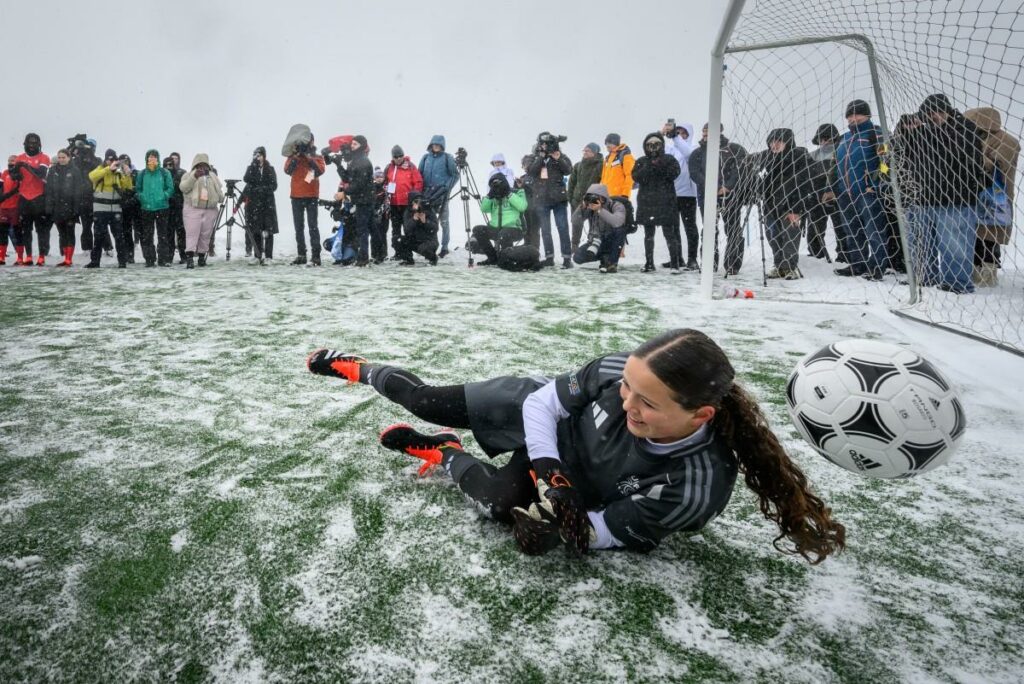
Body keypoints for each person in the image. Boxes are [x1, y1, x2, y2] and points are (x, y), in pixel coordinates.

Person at [306, 329, 846, 562]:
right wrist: (548, 468)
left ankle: (442, 453)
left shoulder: (694, 489)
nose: (627, 401)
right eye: (627, 388)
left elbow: (601, 530)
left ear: (699, 415)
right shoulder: (617, 370)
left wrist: (562, 527)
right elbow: (543, 404)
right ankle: (357, 368)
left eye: (648, 404)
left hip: (582, 482)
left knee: (498, 505)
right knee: (424, 399)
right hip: (543, 425)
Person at [901, 94, 987, 293]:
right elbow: (902, 153)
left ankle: (956, 284)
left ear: (947, 111)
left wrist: (926, 132)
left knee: (954, 246)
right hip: (922, 198)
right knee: (920, 243)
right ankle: (925, 276)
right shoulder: (921, 132)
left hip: (955, 200)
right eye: (928, 114)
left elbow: (955, 154)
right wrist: (906, 132)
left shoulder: (965, 128)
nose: (933, 117)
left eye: (936, 113)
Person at [832, 99, 891, 281]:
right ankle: (858, 264)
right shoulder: (844, 139)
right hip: (846, 193)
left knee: (874, 229)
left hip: (867, 192)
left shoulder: (877, 133)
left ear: (867, 115)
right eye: (849, 115)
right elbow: (836, 165)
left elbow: (886, 163)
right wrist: (834, 188)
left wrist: (875, 185)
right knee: (852, 230)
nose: (852, 118)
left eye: (857, 114)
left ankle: (878, 265)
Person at [965, 106, 1020, 287]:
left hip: (996, 197)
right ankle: (974, 271)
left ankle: (988, 275)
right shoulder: (975, 137)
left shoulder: (1007, 141)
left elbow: (996, 165)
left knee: (990, 236)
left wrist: (973, 154)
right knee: (975, 235)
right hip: (975, 195)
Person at [689, 123, 748, 274]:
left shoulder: (734, 149)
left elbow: (740, 169)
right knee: (709, 229)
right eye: (704, 133)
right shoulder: (697, 153)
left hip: (731, 196)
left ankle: (733, 265)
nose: (705, 136)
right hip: (707, 197)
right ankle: (709, 263)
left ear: (719, 132)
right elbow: (695, 173)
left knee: (733, 229)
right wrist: (711, 186)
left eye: (708, 133)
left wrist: (727, 186)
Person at [761, 128, 813, 279]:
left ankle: (790, 267)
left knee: (790, 236)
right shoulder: (768, 159)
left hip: (791, 206)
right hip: (771, 206)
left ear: (787, 142)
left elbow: (804, 184)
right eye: (772, 141)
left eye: (779, 141)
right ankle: (779, 266)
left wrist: (796, 209)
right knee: (773, 236)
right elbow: (764, 183)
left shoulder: (799, 157)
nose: (774, 144)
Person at [633, 132, 682, 273]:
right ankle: (649, 263)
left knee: (670, 234)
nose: (653, 148)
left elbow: (673, 174)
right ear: (645, 146)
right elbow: (636, 177)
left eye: (656, 145)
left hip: (665, 202)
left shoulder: (669, 159)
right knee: (648, 235)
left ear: (661, 145)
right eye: (650, 145)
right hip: (647, 202)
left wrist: (659, 164)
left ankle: (675, 264)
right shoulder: (642, 161)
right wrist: (649, 165)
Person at [528, 132, 574, 268]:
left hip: (558, 199)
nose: (544, 146)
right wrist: (541, 158)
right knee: (545, 229)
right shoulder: (534, 157)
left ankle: (567, 259)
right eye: (542, 143)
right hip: (541, 199)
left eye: (547, 144)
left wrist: (558, 158)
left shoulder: (561, 156)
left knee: (563, 228)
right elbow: (531, 172)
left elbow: (568, 171)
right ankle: (549, 258)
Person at [84, 149, 134, 268]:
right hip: (100, 209)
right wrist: (108, 169)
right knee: (99, 237)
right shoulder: (100, 169)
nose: (110, 162)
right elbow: (91, 177)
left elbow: (127, 187)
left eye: (113, 160)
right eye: (108, 159)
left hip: (116, 209)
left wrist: (127, 174)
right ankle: (95, 262)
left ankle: (122, 262)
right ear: (105, 160)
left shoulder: (118, 172)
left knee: (119, 237)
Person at [662, 122, 701, 270]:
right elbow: (655, 148)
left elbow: (688, 154)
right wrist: (661, 133)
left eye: (683, 133)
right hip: (672, 193)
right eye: (677, 132)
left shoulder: (693, 149)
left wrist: (676, 137)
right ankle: (677, 257)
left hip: (688, 195)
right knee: (673, 228)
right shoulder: (670, 149)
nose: (680, 135)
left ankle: (692, 259)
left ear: (689, 134)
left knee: (689, 227)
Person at [806, 124, 846, 262]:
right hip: (816, 197)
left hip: (838, 195)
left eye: (828, 139)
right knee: (815, 227)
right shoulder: (812, 156)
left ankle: (844, 255)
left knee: (841, 227)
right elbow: (806, 176)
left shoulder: (841, 152)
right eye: (821, 139)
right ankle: (816, 254)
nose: (824, 142)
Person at [285, 134, 326, 266]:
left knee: (313, 226)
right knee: (299, 228)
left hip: (311, 195)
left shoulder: (317, 156)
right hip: (296, 195)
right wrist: (297, 157)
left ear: (313, 142)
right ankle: (301, 255)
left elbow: (319, 171)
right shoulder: (293, 156)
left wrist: (309, 157)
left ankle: (316, 256)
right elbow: (287, 170)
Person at [472, 171, 528, 266]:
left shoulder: (517, 192)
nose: (497, 187)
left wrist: (508, 193)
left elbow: (522, 207)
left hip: (515, 229)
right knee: (478, 230)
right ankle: (492, 258)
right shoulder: (493, 195)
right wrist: (490, 195)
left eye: (499, 183)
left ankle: (506, 259)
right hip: (496, 229)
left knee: (504, 233)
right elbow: (484, 209)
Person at [334, 135, 374, 266]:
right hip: (360, 200)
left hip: (365, 200)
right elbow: (347, 178)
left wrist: (344, 193)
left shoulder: (363, 161)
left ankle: (363, 259)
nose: (352, 146)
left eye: (355, 144)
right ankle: (369, 256)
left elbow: (358, 184)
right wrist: (338, 164)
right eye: (352, 143)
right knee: (366, 229)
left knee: (363, 229)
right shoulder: (355, 161)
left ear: (362, 146)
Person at [179, 153, 224, 269]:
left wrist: (221, 198)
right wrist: (194, 177)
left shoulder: (212, 176)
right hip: (193, 209)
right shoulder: (188, 175)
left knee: (205, 235)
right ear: (195, 165)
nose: (202, 168)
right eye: (200, 165)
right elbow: (183, 188)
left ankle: (201, 258)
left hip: (210, 209)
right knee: (192, 234)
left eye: (204, 165)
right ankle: (189, 258)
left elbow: (218, 189)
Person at [570, 183, 627, 273]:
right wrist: (582, 207)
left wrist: (600, 210)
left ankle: (611, 262)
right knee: (577, 257)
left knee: (621, 230)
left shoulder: (616, 205)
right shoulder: (590, 207)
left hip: (611, 241)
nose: (593, 200)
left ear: (603, 197)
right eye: (590, 197)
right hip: (595, 241)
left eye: (596, 197)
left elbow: (617, 222)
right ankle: (604, 257)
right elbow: (575, 221)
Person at [418, 135, 458, 258]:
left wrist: (446, 188)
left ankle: (444, 247)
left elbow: (455, 175)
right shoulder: (425, 158)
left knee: (444, 221)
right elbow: (419, 175)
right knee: (426, 222)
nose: (436, 146)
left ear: (442, 146)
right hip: (426, 195)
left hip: (442, 196)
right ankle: (426, 245)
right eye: (434, 143)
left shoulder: (447, 158)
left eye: (438, 144)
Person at [14, 133, 51, 265]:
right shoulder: (19, 158)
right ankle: (28, 256)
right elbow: (15, 178)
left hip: (39, 197)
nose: (31, 145)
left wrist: (26, 166)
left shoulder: (44, 157)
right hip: (24, 198)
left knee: (41, 229)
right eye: (29, 143)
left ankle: (41, 256)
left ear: (39, 144)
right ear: (25, 144)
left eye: (34, 143)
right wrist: (15, 170)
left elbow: (40, 174)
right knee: (26, 229)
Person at [134, 149, 175, 267]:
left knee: (163, 235)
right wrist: (142, 197)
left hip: (162, 207)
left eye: (154, 157)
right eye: (150, 157)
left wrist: (164, 196)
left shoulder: (164, 172)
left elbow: (170, 188)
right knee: (147, 235)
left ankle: (163, 259)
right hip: (146, 208)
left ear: (158, 159)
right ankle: (149, 259)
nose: (152, 159)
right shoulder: (142, 174)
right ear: (146, 159)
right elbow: (137, 189)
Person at [44, 149, 84, 267]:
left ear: (69, 157)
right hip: (57, 207)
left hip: (70, 207)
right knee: (62, 233)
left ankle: (68, 259)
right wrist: (48, 206)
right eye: (59, 157)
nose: (61, 160)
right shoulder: (52, 170)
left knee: (69, 232)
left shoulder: (75, 171)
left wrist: (76, 208)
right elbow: (48, 190)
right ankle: (65, 257)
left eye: (63, 157)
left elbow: (78, 190)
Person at [383, 146, 423, 258]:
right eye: (396, 157)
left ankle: (407, 253)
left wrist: (415, 199)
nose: (399, 158)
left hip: (407, 204)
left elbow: (418, 183)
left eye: (401, 156)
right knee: (395, 230)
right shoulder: (389, 168)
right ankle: (398, 252)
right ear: (392, 157)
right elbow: (385, 182)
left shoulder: (410, 166)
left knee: (407, 229)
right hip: (394, 204)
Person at [242, 146, 278, 265]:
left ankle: (268, 256)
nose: (257, 157)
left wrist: (263, 189)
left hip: (267, 204)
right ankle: (257, 255)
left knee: (268, 230)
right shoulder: (251, 168)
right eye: (255, 155)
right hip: (255, 203)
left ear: (264, 156)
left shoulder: (270, 169)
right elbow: (246, 179)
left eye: (259, 155)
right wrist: (253, 165)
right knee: (256, 229)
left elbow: (274, 185)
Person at [567, 143, 605, 252]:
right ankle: (574, 247)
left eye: (587, 151)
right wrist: (571, 198)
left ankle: (591, 247)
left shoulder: (601, 165)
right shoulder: (578, 165)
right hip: (576, 201)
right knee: (576, 224)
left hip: (593, 201)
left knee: (593, 225)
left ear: (594, 152)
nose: (585, 152)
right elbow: (571, 183)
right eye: (584, 150)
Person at [395, 191, 439, 266]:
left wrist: (425, 222)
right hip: (414, 239)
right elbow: (407, 230)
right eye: (416, 201)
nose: (418, 204)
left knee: (423, 248)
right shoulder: (408, 212)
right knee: (397, 239)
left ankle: (433, 258)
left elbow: (435, 228)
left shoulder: (429, 210)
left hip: (429, 240)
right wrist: (414, 220)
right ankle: (408, 260)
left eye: (420, 201)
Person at [162, 156, 186, 263]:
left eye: (170, 165)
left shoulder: (181, 173)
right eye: (166, 165)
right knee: (168, 234)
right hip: (166, 208)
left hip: (179, 207)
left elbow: (184, 189)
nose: (168, 167)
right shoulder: (161, 175)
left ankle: (184, 256)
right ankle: (169, 256)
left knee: (181, 233)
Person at [1, 157, 23, 265]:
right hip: (3, 208)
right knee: (3, 233)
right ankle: (2, 257)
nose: (11, 163)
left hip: (15, 207)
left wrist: (6, 196)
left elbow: (20, 189)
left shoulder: (20, 174)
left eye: (13, 161)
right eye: (9, 161)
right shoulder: (4, 173)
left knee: (16, 232)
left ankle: (20, 257)